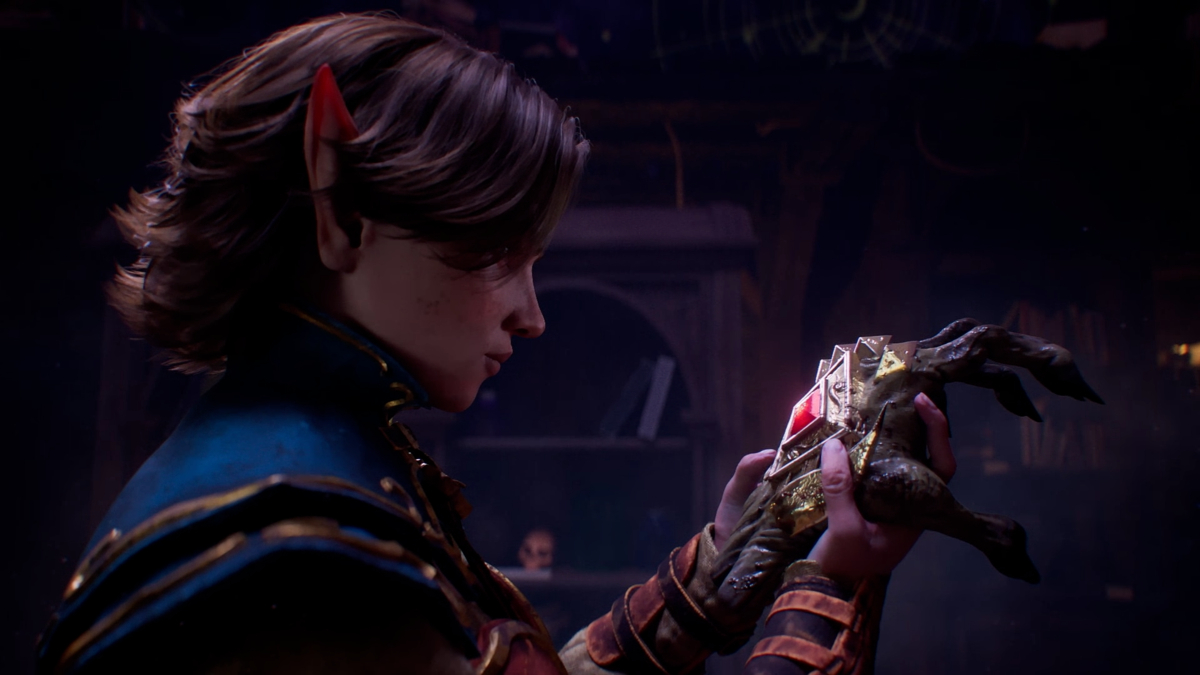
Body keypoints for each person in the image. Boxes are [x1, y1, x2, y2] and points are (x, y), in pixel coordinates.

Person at [35, 13, 955, 675]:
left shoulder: (311, 461)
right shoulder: (297, 549)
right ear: (341, 204)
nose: (531, 315)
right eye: (499, 254)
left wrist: (722, 568)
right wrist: (830, 587)